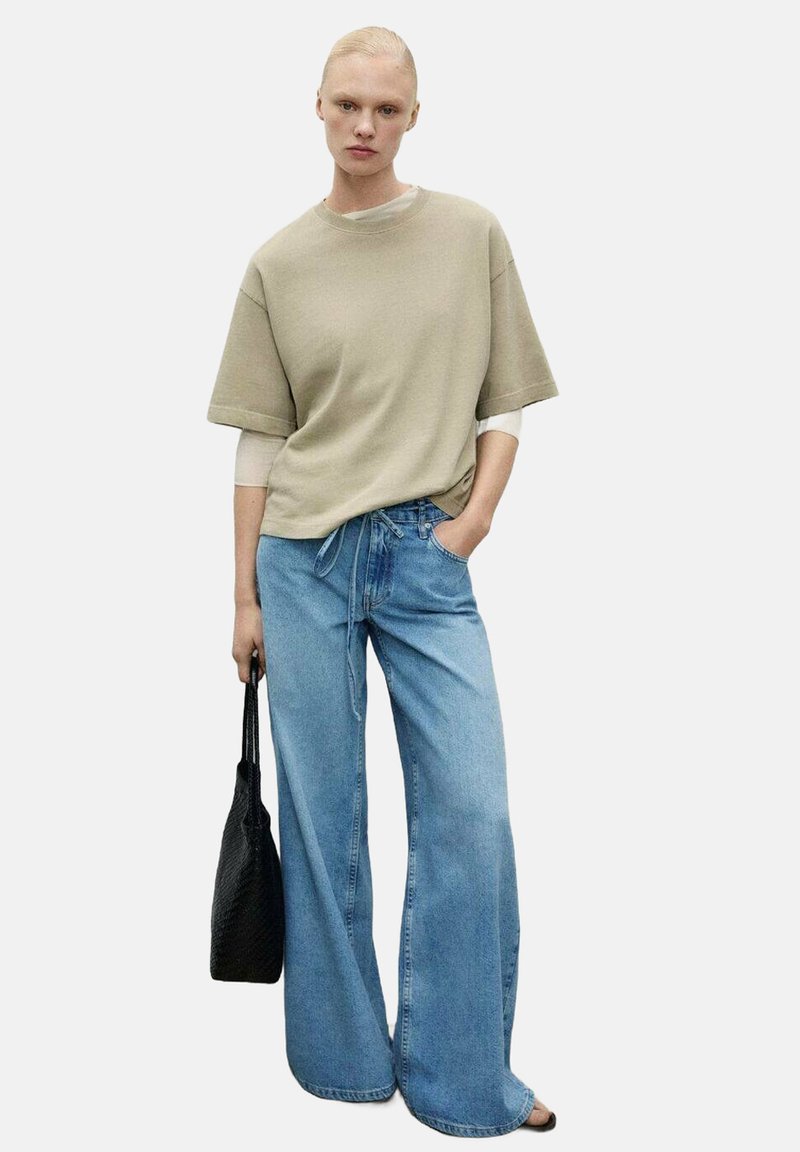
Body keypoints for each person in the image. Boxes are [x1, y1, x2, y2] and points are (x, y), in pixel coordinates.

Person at [206, 25, 559, 1137]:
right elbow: (260, 442)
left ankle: (463, 1080)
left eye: (387, 109)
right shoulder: (278, 263)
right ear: (317, 108)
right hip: (300, 560)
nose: (365, 125)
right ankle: (345, 1065)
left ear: (413, 117)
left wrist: (473, 523)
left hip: (423, 551)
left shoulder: (469, 235)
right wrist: (243, 595)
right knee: (323, 817)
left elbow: (504, 400)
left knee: (470, 809)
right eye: (347, 104)